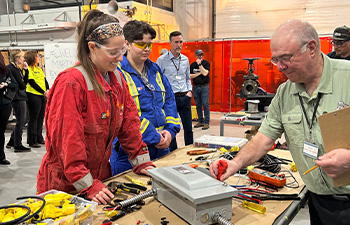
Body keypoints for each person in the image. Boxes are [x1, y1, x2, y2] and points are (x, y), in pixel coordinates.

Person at [210, 19, 350, 225]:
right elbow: (264, 138)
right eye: (276, 60)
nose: (280, 67)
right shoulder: (285, 92)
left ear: (311, 47)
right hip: (319, 201)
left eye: (286, 58)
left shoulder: (346, 77)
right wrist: (235, 163)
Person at [37, 10, 155, 205]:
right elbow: (67, 141)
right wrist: (86, 184)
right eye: (112, 52)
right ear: (92, 47)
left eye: (122, 51)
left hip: (99, 177)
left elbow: (129, 123)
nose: (120, 58)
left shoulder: (117, 78)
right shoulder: (71, 83)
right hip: (64, 185)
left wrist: (141, 161)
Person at [110, 20, 180, 175]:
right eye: (141, 44)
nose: (147, 49)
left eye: (150, 44)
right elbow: (121, 114)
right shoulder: (117, 74)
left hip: (162, 147)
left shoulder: (155, 70)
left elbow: (169, 100)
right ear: (127, 44)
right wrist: (153, 136)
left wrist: (170, 131)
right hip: (129, 153)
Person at [157, 31, 193, 151]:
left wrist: (190, 91)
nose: (179, 45)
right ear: (170, 43)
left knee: (188, 128)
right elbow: (158, 80)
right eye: (176, 42)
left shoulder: (185, 60)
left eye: (181, 42)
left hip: (185, 97)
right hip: (171, 100)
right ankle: (173, 152)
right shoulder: (162, 60)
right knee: (171, 128)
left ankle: (189, 150)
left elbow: (187, 77)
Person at [6, 50, 31, 152]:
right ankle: (17, 144)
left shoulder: (17, 69)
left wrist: (26, 70)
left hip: (21, 96)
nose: (23, 59)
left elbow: (24, 82)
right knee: (21, 120)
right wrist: (22, 83)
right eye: (21, 57)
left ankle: (12, 140)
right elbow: (22, 85)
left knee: (24, 119)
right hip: (17, 97)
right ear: (16, 58)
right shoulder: (11, 69)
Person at [25, 50, 49, 148]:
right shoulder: (28, 69)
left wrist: (47, 90)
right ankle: (32, 140)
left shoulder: (38, 68)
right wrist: (43, 92)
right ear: (32, 57)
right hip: (33, 95)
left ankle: (39, 137)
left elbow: (44, 80)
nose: (38, 57)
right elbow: (31, 82)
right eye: (37, 56)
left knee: (40, 118)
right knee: (33, 118)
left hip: (42, 95)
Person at [0, 53, 18, 165]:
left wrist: (6, 84)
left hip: (4, 104)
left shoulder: (5, 71)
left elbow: (15, 85)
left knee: (1, 132)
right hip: (5, 104)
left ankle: (1, 156)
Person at [190, 49, 211, 130]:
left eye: (201, 55)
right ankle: (200, 121)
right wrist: (199, 73)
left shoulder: (206, 63)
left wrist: (200, 65)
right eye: (198, 55)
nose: (200, 56)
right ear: (196, 56)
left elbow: (205, 73)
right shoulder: (192, 65)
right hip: (196, 87)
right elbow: (190, 76)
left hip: (204, 87)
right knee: (198, 105)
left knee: (205, 104)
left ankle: (206, 122)